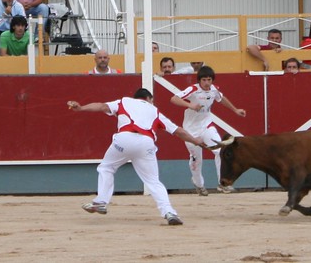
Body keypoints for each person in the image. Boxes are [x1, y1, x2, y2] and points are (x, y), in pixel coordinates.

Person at [67, 88, 204, 226]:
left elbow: (102, 106)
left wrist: (81, 108)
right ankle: (169, 212)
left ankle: (101, 201)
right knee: (153, 181)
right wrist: (195, 141)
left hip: (124, 139)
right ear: (150, 99)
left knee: (106, 168)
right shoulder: (154, 110)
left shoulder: (124, 101)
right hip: (146, 144)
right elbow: (178, 131)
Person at [170, 66, 246, 196]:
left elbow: (221, 98)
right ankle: (198, 184)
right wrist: (190, 105)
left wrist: (235, 110)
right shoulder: (193, 89)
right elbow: (174, 98)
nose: (206, 83)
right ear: (199, 80)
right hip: (191, 129)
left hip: (206, 125)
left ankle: (223, 184)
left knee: (220, 150)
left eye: (209, 80)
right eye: (204, 80)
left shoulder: (214, 89)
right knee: (197, 158)